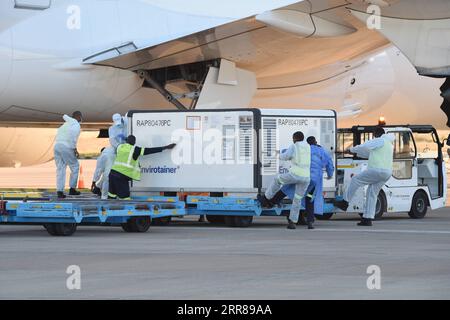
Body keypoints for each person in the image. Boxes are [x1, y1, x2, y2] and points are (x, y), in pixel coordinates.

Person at [334, 127, 395, 226]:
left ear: (376, 133)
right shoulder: (388, 144)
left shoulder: (380, 140)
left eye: (374, 134)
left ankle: (345, 202)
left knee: (356, 180)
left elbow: (365, 146)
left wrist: (351, 149)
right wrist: (352, 152)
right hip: (387, 173)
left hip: (376, 170)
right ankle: (368, 218)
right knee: (372, 193)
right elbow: (369, 153)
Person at [272, 136, 334, 230]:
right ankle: (310, 222)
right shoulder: (322, 151)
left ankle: (271, 201)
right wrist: (330, 175)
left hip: (303, 176)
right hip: (313, 181)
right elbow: (330, 164)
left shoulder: (305, 149)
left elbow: (289, 153)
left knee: (286, 189)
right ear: (316, 142)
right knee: (310, 199)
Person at [258, 131, 311, 230]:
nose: (292, 140)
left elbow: (285, 156)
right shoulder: (308, 146)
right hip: (306, 177)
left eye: (293, 138)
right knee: (297, 199)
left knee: (277, 180)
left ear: (295, 138)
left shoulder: (294, 146)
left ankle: (266, 198)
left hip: (296, 174)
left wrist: (277, 154)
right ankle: (293, 222)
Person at [108, 135, 176, 200]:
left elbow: (115, 141)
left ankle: (108, 209)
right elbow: (149, 150)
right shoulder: (135, 149)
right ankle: (126, 211)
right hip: (121, 177)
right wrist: (166, 147)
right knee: (125, 198)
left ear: (127, 141)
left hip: (112, 174)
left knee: (111, 195)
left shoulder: (120, 147)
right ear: (134, 142)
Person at [54, 111, 83, 199]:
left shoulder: (65, 124)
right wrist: (75, 150)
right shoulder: (76, 125)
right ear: (78, 117)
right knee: (75, 166)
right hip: (66, 146)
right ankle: (72, 189)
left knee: (61, 168)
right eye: (81, 117)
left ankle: (59, 191)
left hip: (57, 146)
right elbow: (73, 138)